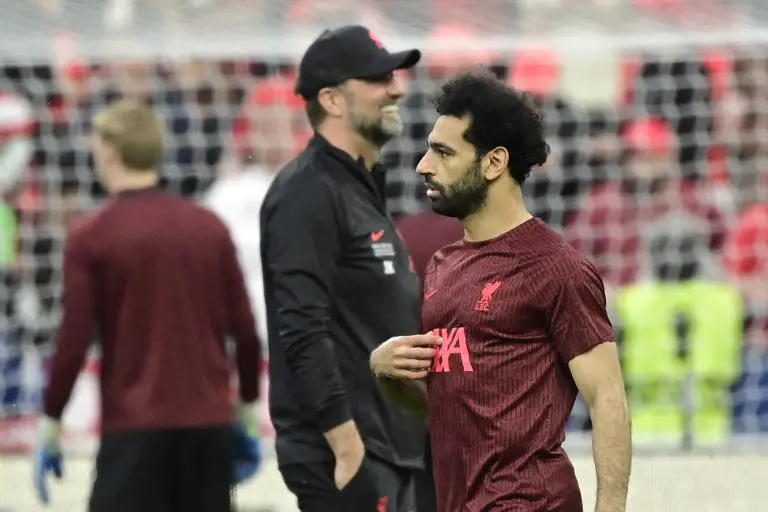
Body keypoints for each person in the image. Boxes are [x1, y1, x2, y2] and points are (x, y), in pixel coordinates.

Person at [370, 70, 632, 512]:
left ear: (494, 162)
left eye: (443, 152)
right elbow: (445, 408)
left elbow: (608, 399)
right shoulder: (442, 267)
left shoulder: (556, 268)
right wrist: (385, 370)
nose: (423, 165)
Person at [33, 100, 263, 512]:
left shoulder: (92, 236)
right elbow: (245, 332)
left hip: (135, 429)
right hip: (208, 428)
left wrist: (50, 422)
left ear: (108, 149)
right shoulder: (208, 227)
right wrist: (246, 410)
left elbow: (73, 339)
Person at [260, 25, 427, 512]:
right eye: (376, 79)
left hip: (388, 449)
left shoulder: (360, 185)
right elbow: (301, 327)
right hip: (350, 453)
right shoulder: (307, 191)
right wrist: (345, 443)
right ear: (332, 100)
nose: (395, 87)